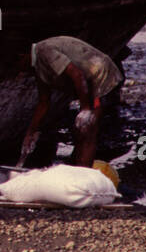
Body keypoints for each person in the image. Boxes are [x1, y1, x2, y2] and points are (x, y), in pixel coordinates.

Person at [18, 36, 123, 168]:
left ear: (22, 56)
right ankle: (78, 167)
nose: (19, 72)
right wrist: (31, 132)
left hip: (100, 77)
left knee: (87, 129)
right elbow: (43, 103)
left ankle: (83, 174)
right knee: (78, 131)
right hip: (87, 83)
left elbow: (78, 75)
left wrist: (85, 110)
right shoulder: (39, 67)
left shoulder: (44, 50)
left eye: (18, 66)